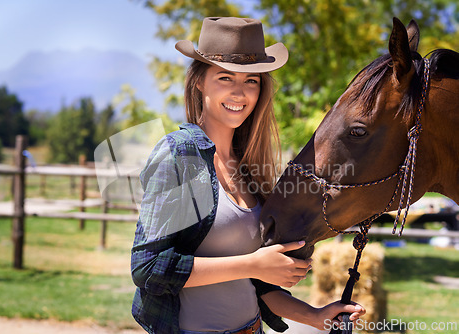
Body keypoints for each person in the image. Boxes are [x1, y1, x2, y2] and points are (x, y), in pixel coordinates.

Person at [131, 17, 365, 334]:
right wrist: (253, 263)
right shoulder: (179, 155)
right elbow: (149, 268)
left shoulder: (248, 166)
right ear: (199, 81)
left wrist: (315, 316)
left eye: (251, 81)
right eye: (226, 78)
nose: (240, 93)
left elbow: (255, 284)